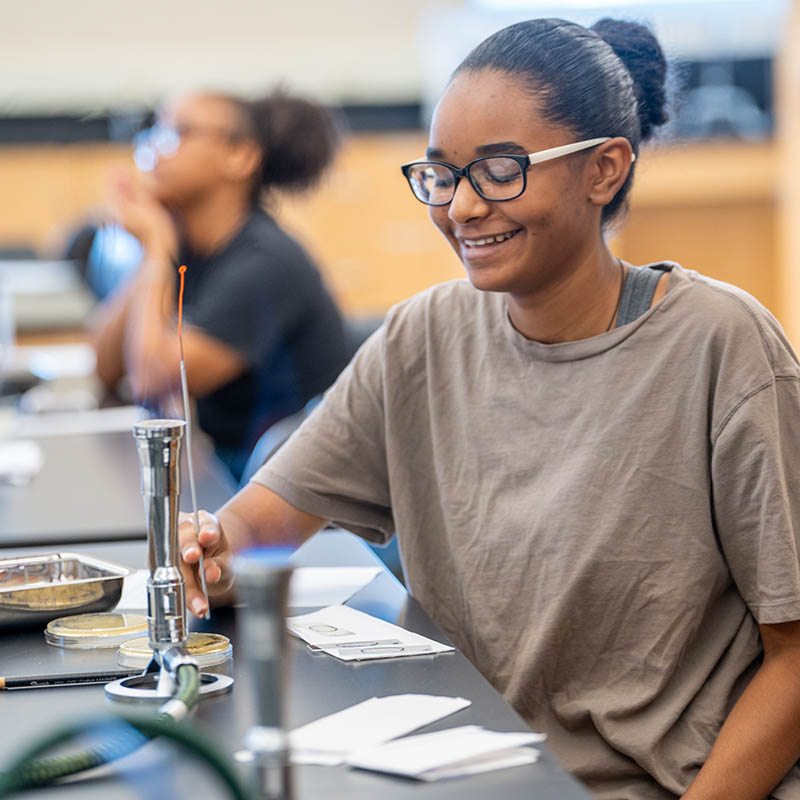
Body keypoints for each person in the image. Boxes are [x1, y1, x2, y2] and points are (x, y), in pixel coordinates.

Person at [178, 18, 800, 800]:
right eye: (442, 175)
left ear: (604, 169)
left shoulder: (722, 344)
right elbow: (254, 532)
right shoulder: (423, 336)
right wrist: (209, 553)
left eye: (500, 170)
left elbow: (795, 658)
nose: (462, 207)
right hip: (463, 774)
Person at [89, 89, 351, 480]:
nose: (154, 153)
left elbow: (151, 378)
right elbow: (106, 366)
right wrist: (155, 248)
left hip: (294, 493)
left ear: (239, 157)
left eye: (177, 134)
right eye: (154, 134)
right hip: (232, 469)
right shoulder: (191, 246)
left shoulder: (265, 262)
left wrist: (157, 246)